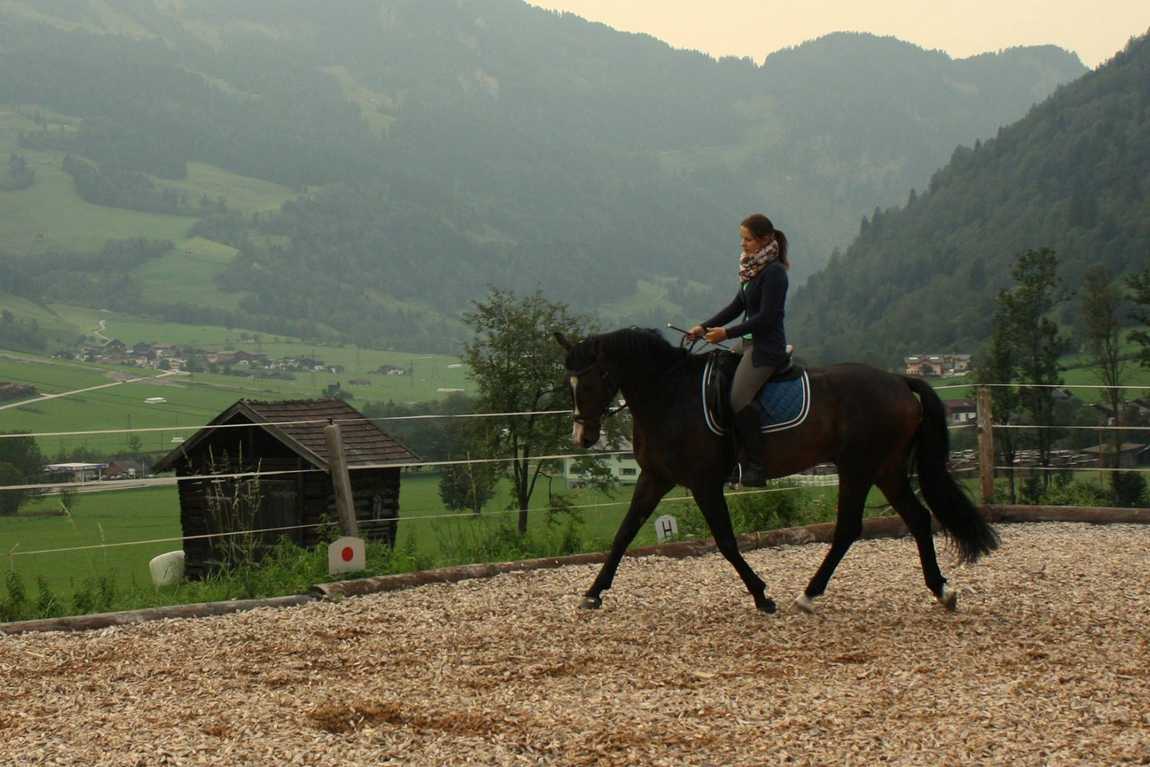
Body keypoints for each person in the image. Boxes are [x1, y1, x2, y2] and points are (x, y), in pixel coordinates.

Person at [688, 213, 789, 459]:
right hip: (747, 344)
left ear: (765, 240)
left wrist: (726, 333)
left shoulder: (774, 273)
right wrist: (703, 327)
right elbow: (737, 306)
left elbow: (767, 318)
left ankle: (755, 461)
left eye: (748, 240)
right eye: (741, 239)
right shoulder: (752, 268)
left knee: (739, 399)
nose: (743, 245)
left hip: (766, 348)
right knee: (717, 382)